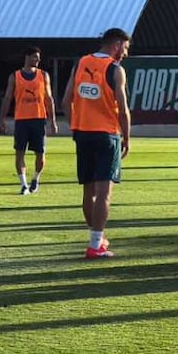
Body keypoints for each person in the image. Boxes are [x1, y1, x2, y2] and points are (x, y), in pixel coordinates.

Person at [61, 28, 132, 259]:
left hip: (83, 133)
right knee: (104, 192)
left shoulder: (81, 63)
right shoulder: (115, 70)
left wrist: (75, 126)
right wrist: (127, 138)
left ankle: (97, 239)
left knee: (88, 190)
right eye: (126, 48)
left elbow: (65, 101)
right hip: (106, 134)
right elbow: (123, 108)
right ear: (118, 44)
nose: (126, 54)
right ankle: (94, 246)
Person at [0, 46, 58, 195]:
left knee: (40, 153)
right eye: (34, 57)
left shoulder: (43, 75)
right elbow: (7, 98)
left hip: (39, 119)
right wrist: (2, 120)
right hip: (22, 119)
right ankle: (23, 185)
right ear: (27, 57)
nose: (37, 60)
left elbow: (49, 99)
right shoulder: (15, 76)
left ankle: (36, 179)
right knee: (20, 152)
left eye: (38, 57)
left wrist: (53, 121)